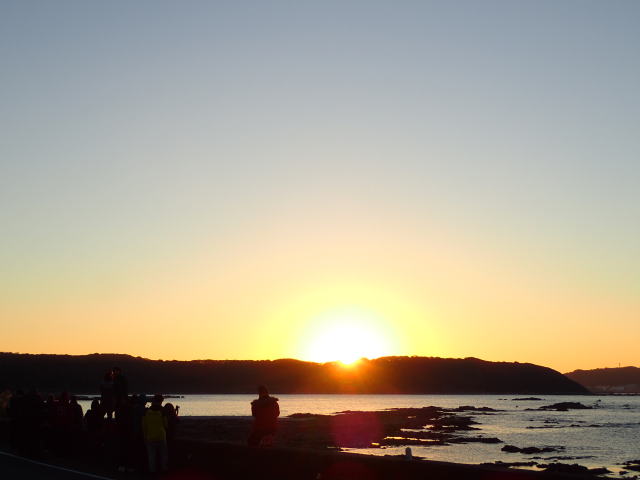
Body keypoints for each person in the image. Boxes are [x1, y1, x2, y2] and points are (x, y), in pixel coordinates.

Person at [142, 394, 168, 473]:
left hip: (150, 436)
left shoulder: (146, 411)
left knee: (151, 456)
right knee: (163, 455)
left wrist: (145, 436)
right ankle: (163, 470)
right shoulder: (163, 411)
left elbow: (144, 425)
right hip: (161, 436)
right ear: (161, 401)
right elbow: (166, 424)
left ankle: (152, 471)